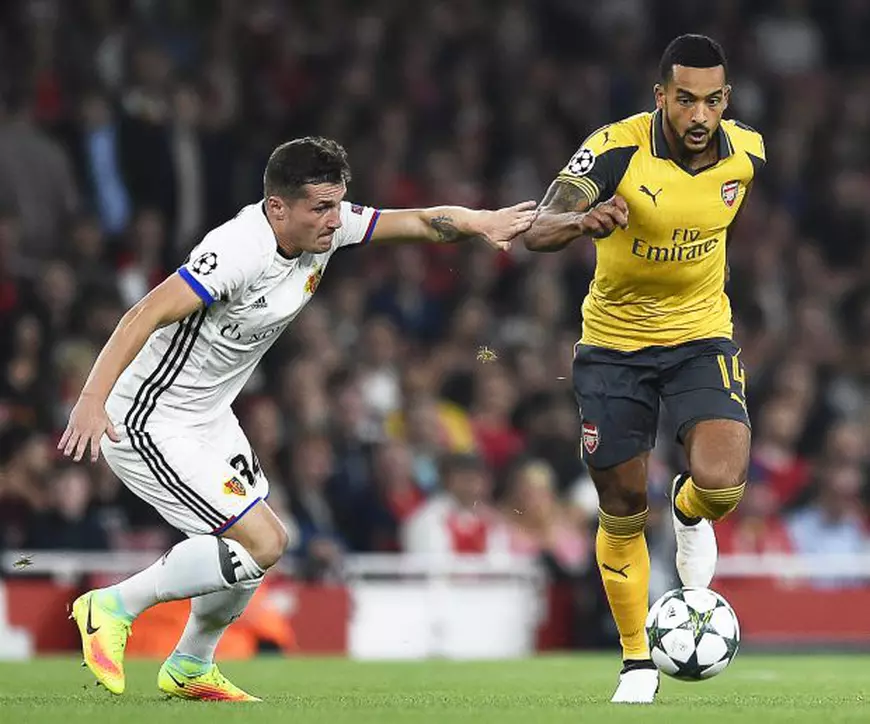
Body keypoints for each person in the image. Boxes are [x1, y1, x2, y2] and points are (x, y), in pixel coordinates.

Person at [59, 136, 537, 701]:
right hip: (146, 416)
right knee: (260, 541)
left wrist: (481, 221)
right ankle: (111, 607)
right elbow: (144, 312)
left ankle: (190, 664)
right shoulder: (238, 250)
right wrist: (91, 398)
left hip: (207, 414)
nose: (336, 221)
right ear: (277, 207)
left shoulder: (326, 228)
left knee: (258, 548)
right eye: (321, 208)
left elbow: (425, 224)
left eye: (339, 204)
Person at [522, 35, 764, 703]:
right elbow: (539, 227)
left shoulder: (748, 153)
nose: (697, 116)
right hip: (613, 350)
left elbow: (722, 224)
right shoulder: (614, 147)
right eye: (684, 99)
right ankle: (636, 663)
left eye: (711, 101)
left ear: (726, 102)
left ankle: (687, 515)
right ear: (661, 96)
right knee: (623, 505)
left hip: (700, 339)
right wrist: (583, 222)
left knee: (721, 483)